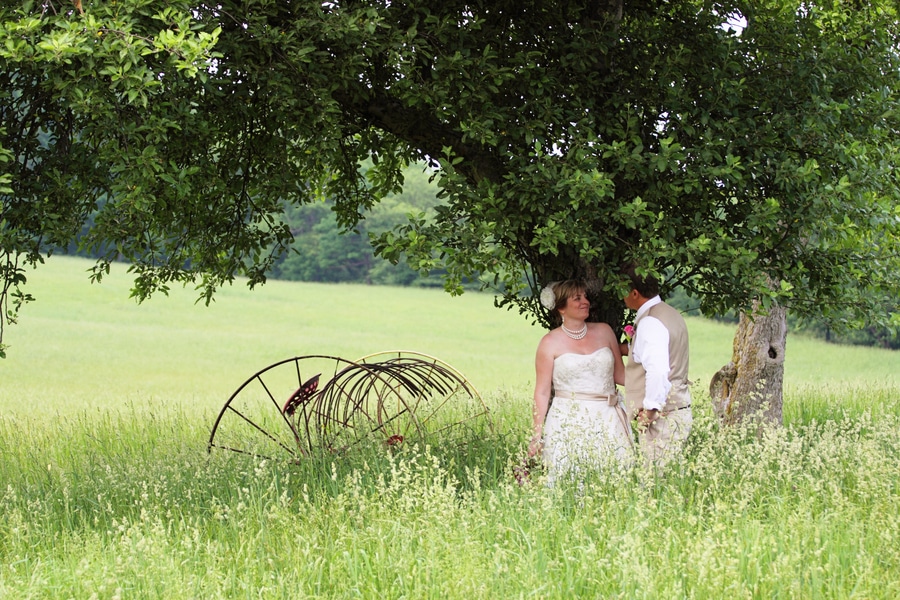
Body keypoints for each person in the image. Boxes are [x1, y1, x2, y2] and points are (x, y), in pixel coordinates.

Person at [529, 279, 633, 485]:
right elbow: (542, 392)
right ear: (561, 308)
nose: (585, 301)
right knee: (570, 482)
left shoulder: (604, 331)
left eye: (585, 297)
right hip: (567, 419)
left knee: (612, 480)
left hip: (607, 417)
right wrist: (536, 434)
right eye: (577, 298)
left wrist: (654, 378)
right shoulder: (549, 343)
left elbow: (620, 375)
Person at [621, 268, 692, 469]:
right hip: (678, 409)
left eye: (623, 291)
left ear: (635, 293)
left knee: (657, 480)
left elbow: (658, 369)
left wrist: (650, 409)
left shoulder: (650, 322)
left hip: (663, 417)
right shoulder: (669, 313)